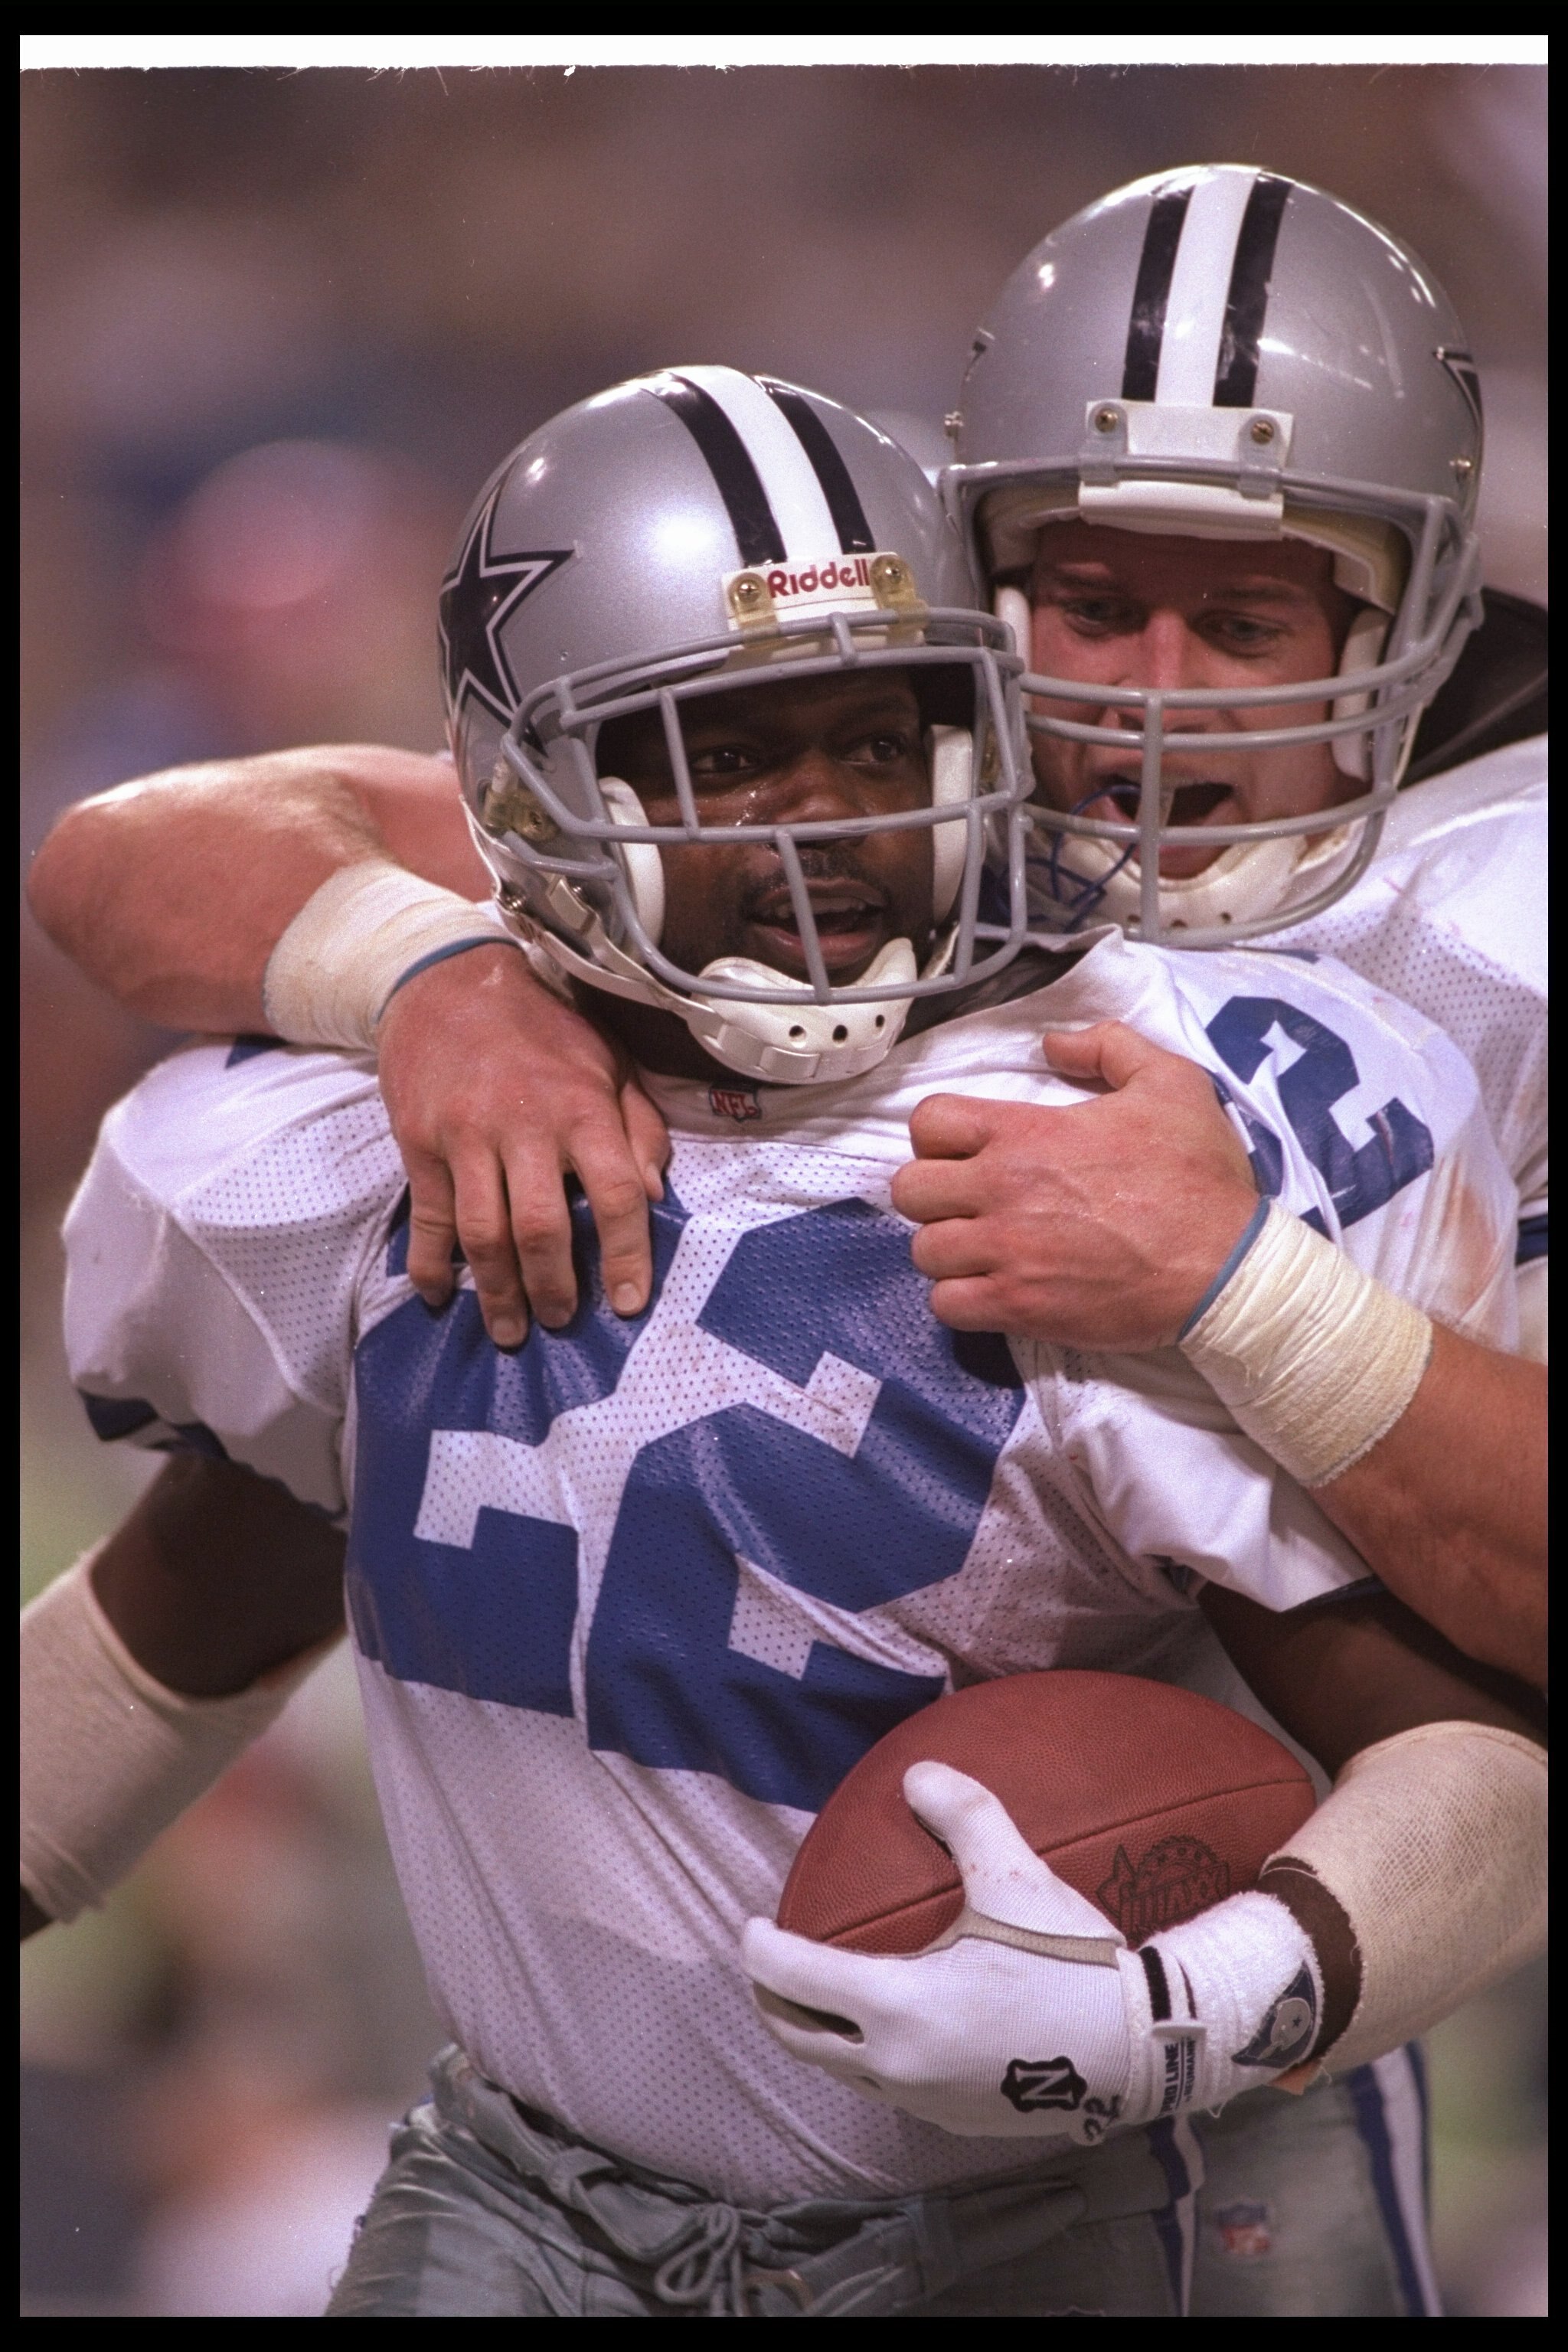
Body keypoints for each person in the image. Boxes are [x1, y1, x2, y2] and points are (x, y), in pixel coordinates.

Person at [22, 371, 1545, 2318]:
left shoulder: (1109, 1143)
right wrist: (425, 980)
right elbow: (193, 1609)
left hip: (1050, 2213)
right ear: (530, 799)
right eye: (726, 754)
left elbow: (1475, 1757)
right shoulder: (354, 1145)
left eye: (874, 737)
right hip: (520, 2196)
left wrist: (1190, 2005)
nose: (828, 821)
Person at [28, 172, 1545, 1693]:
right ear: (978, 584)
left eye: (1245, 625)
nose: (1150, 692)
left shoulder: (1507, 916)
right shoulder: (900, 800)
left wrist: (1243, 1291)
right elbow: (130, 854)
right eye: (1085, 601)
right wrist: (433, 980)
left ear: (1408, 619)